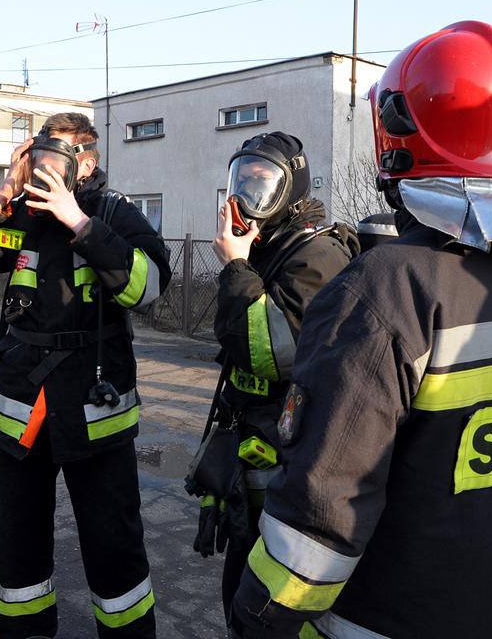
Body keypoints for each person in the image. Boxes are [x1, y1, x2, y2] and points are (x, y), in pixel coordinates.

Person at [230, 21, 492, 639]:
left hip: (383, 617)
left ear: (398, 133)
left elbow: (324, 507)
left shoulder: (387, 287)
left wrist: (256, 615)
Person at [0, 112, 169, 639]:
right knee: (19, 557)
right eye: (42, 154)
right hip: (23, 417)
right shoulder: (16, 215)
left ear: (88, 161)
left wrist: (81, 224)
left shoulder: (113, 212)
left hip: (94, 418)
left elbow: (149, 289)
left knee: (115, 556)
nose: (49, 166)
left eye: (62, 154)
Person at [186, 132, 358, 624]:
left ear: (291, 191)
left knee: (265, 584)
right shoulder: (268, 244)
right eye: (241, 182)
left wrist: (237, 265)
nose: (246, 197)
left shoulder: (315, 255)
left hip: (286, 448)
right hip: (252, 437)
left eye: (261, 184)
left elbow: (271, 352)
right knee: (242, 570)